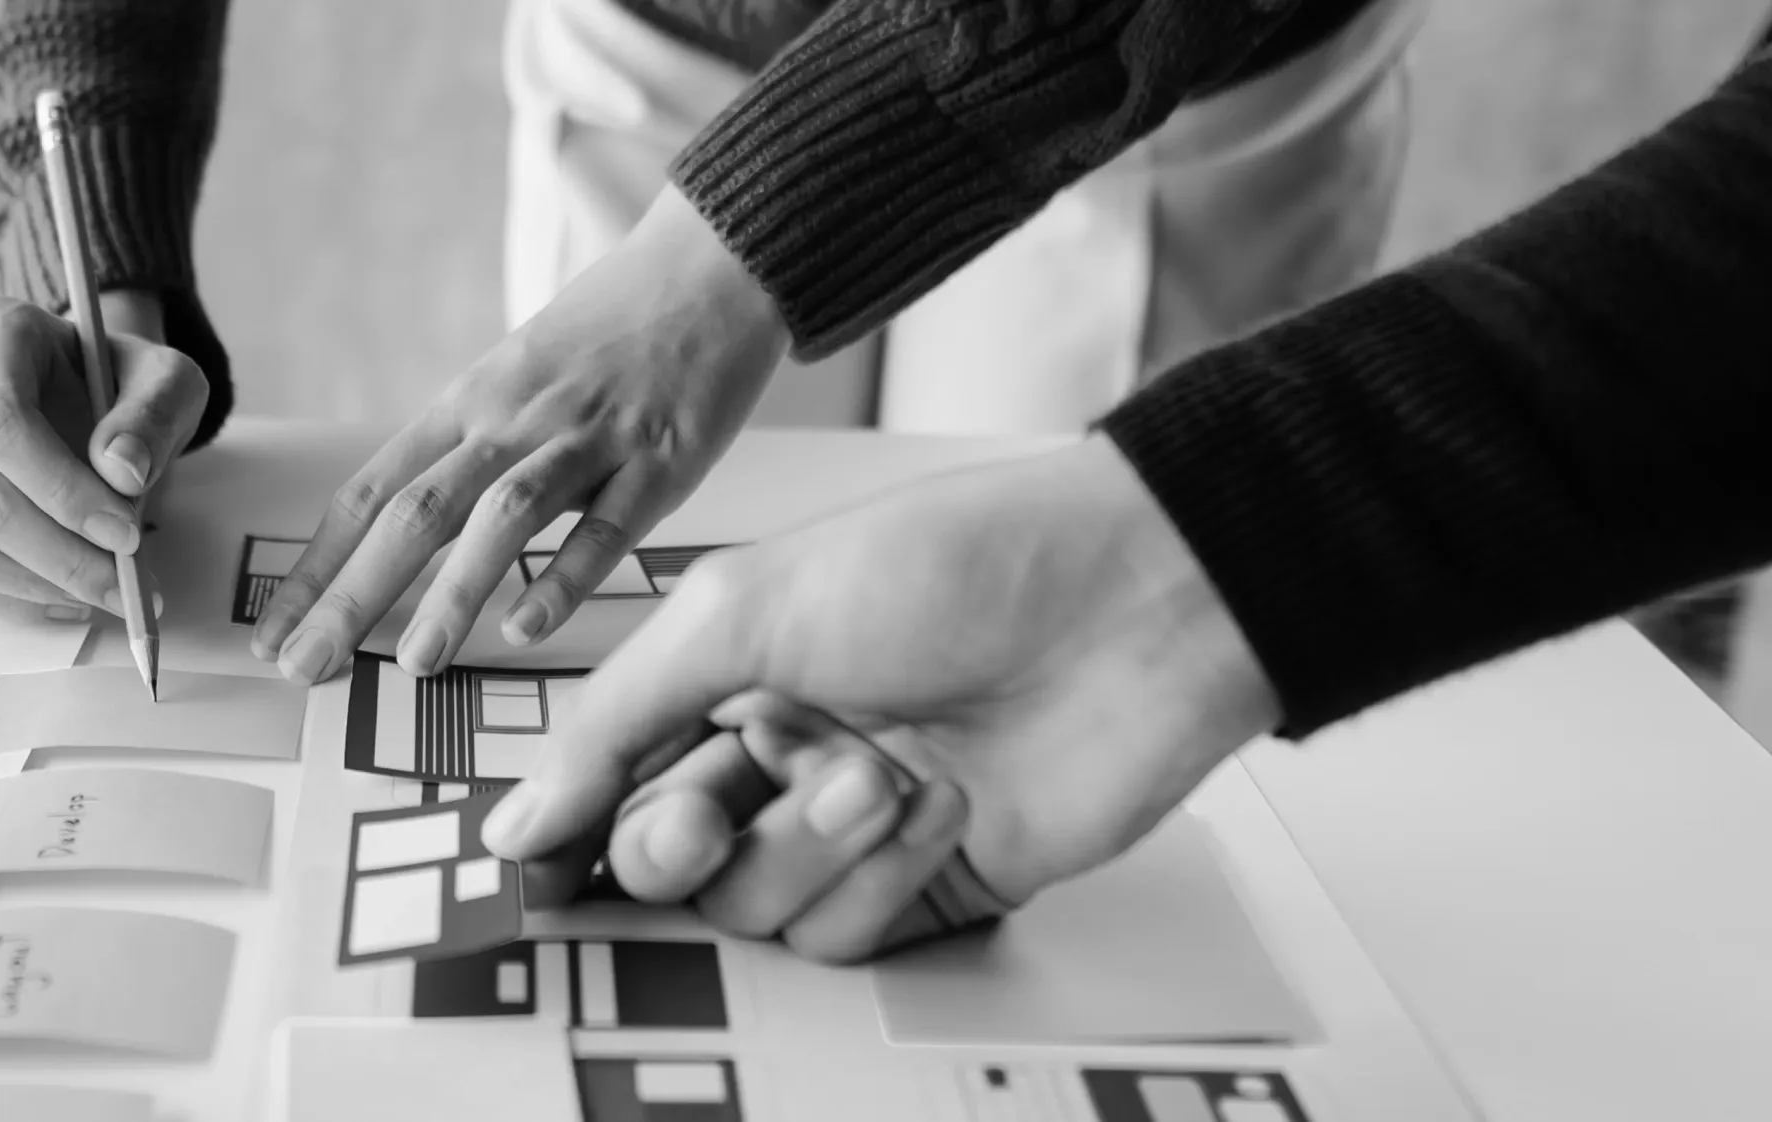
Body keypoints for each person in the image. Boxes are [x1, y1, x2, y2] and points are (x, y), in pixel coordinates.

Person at [478, 44, 1772, 963]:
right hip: (662, 28)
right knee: (704, 658)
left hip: (1176, 60)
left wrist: (1180, 571)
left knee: (1114, 766)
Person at [0, 0, 1427, 661]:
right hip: (654, 32)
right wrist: (85, 238)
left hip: (1135, 71)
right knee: (595, 622)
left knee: (1057, 638)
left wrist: (726, 259)